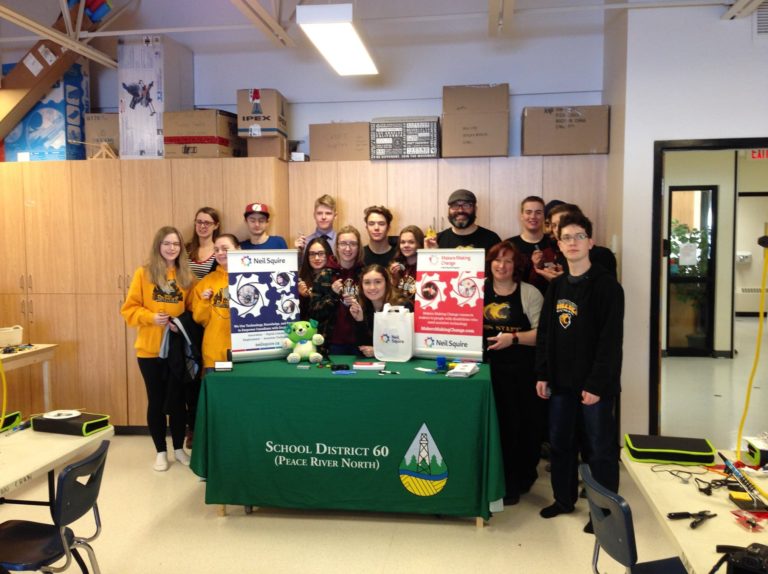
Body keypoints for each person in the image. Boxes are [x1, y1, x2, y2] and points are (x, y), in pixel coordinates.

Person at [535, 212, 624, 532]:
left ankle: (603, 512)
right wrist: (542, 373)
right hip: (560, 383)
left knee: (599, 449)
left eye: (578, 236)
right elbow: (546, 333)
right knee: (560, 443)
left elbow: (610, 341)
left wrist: (597, 384)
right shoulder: (557, 286)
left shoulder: (607, 287)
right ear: (558, 245)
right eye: (566, 238)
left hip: (594, 386)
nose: (573, 243)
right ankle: (563, 499)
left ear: (591, 242)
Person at [121, 226, 196, 472]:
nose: (171, 248)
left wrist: (182, 322)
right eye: (166, 243)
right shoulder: (143, 274)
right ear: (158, 246)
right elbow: (129, 310)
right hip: (150, 351)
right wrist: (151, 318)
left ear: (181, 248)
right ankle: (160, 452)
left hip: (176, 351)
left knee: (177, 403)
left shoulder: (186, 275)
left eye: (175, 244)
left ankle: (178, 450)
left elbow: (193, 310)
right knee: (156, 401)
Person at [482, 240, 545, 505]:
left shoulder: (529, 293)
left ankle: (517, 481)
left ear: (516, 265)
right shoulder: (476, 290)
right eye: (498, 260)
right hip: (484, 371)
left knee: (519, 427)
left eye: (508, 261)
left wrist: (513, 339)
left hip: (519, 371)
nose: (502, 265)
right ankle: (493, 477)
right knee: (496, 427)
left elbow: (542, 334)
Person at [310, 225, 364, 355]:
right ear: (337, 247)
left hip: (360, 342)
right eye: (343, 244)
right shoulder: (324, 275)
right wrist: (332, 294)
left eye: (353, 244)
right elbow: (314, 314)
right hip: (331, 343)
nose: (347, 248)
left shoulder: (365, 274)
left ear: (359, 247)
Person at [535, 203, 618, 283]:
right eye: (554, 225)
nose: (557, 229)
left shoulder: (602, 255)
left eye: (562, 223)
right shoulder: (560, 258)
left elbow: (606, 291)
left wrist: (561, 281)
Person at [192, 234, 239, 372]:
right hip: (214, 354)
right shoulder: (207, 281)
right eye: (216, 249)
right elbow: (199, 319)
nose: (220, 253)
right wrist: (204, 301)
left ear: (238, 249)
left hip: (244, 353)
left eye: (225, 248)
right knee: (216, 393)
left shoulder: (252, 277)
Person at [349, 264, 404, 357]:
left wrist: (379, 351)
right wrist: (360, 321)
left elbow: (403, 344)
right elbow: (363, 348)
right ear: (361, 286)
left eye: (378, 282)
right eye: (367, 282)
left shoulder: (402, 307)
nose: (372, 287)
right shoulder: (360, 307)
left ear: (387, 283)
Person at [507, 196, 556, 295]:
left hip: (550, 300)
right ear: (521, 216)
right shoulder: (509, 245)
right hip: (518, 301)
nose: (533, 216)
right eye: (528, 212)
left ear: (544, 216)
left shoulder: (555, 243)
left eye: (538, 212)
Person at [424, 189, 501, 251]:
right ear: (449, 210)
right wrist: (430, 253)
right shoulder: (437, 240)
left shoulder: (492, 239)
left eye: (466, 205)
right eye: (455, 205)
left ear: (475, 209)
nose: (460, 210)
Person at [298, 236, 334, 320]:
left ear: (328, 254)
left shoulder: (335, 277)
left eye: (321, 253)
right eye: (312, 254)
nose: (316, 258)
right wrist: (302, 296)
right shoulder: (301, 279)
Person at [389, 225, 423, 304]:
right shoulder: (396, 265)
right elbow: (392, 292)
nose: (406, 245)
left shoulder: (425, 266)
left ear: (419, 244)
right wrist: (394, 277)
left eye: (411, 242)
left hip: (419, 310)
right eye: (402, 242)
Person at [186, 207, 221, 279]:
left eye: (207, 223)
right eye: (199, 222)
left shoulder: (220, 251)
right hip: (189, 290)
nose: (202, 226)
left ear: (216, 226)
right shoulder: (186, 249)